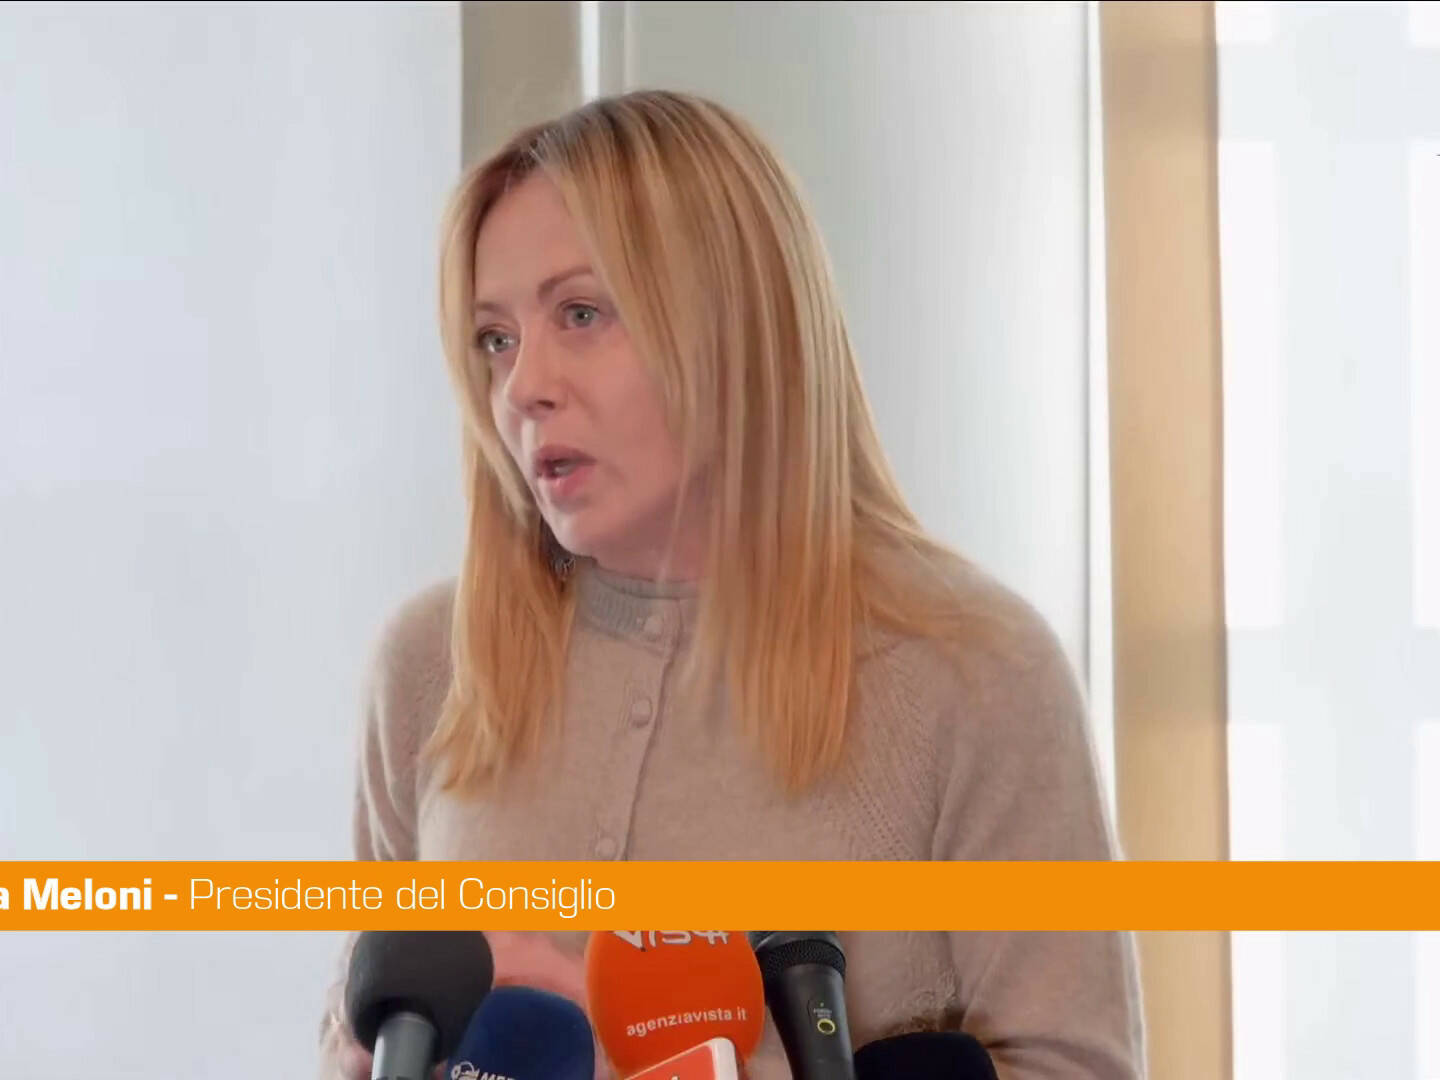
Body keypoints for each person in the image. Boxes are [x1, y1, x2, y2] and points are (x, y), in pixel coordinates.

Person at [319, 89, 1145, 1080]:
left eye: (581, 314)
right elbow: (349, 1044)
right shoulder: (427, 666)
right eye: (496, 338)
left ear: (737, 324)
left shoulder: (975, 674)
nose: (524, 386)